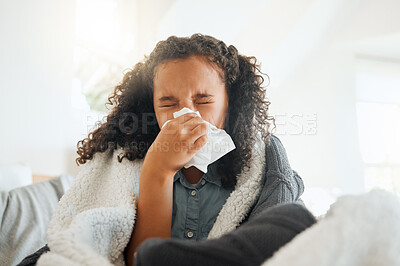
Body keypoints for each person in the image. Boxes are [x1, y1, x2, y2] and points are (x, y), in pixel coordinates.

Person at [18, 34, 316, 266]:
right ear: (151, 108)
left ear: (230, 104)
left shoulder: (259, 166)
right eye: (168, 103)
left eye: (203, 101)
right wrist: (157, 170)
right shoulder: (127, 164)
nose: (186, 114)